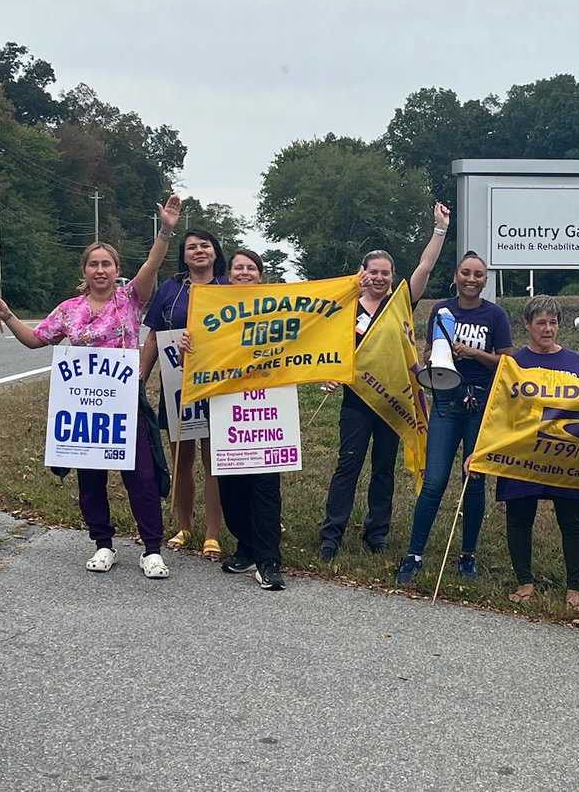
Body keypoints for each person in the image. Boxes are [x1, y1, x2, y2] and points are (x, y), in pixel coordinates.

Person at [0, 196, 182, 579]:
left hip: (124, 402)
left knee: (139, 474)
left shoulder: (130, 300)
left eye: (106, 264)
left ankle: (151, 549)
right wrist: (8, 315)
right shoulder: (68, 309)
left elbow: (151, 266)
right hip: (85, 406)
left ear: (117, 269)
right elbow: (35, 340)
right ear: (85, 270)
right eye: (94, 264)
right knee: (91, 478)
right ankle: (103, 544)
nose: (100, 270)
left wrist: (165, 230)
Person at [318, 202, 450, 560]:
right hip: (356, 401)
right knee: (348, 465)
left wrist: (439, 230)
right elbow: (327, 348)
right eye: (373, 272)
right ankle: (331, 533)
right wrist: (329, 376)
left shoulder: (400, 303)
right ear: (362, 273)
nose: (379, 278)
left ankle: (378, 532)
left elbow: (424, 267)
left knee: (383, 470)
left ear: (392, 276)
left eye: (385, 273)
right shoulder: (344, 308)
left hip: (392, 400)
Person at [396, 251, 513, 584]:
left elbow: (507, 363)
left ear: (485, 280)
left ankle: (467, 555)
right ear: (456, 275)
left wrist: (475, 353)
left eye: (478, 274)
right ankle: (414, 553)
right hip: (446, 400)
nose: (471, 279)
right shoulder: (441, 309)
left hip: (480, 403)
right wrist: (442, 351)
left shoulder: (496, 315)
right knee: (433, 482)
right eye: (465, 273)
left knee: (473, 482)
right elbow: (428, 354)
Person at [497, 296, 579, 611]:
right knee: (519, 518)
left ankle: (574, 589)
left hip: (564, 455)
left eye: (553, 322)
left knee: (573, 521)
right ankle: (524, 581)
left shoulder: (576, 362)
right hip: (523, 453)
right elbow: (499, 411)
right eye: (541, 322)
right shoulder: (513, 364)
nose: (548, 328)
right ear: (527, 325)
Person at [140, 228, 227, 560]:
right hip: (177, 387)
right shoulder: (169, 290)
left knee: (214, 461)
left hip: (218, 387)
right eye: (191, 247)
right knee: (183, 460)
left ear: (215, 252)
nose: (199, 251)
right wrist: (141, 376)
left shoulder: (229, 288)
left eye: (205, 245)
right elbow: (152, 337)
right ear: (184, 255)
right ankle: (185, 525)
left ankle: (213, 533)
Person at [211, 250, 286, 590]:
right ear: (228, 274)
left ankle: (269, 560)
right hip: (228, 407)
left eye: (251, 268)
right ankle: (247, 546)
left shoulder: (278, 307)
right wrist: (187, 344)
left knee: (265, 485)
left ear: (260, 275)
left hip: (268, 408)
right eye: (238, 267)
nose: (244, 272)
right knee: (232, 485)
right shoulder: (212, 308)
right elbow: (201, 353)